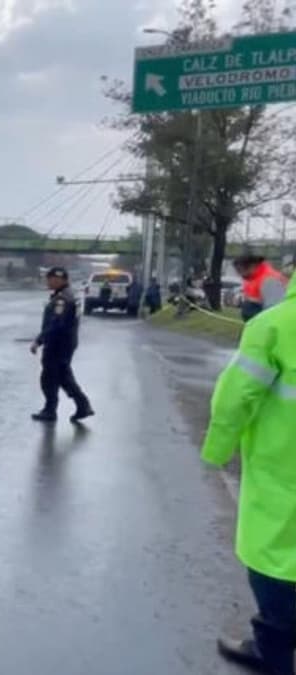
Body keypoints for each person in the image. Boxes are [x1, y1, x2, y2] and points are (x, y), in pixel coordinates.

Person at [203, 276, 296, 675]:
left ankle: (273, 652)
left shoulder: (275, 325)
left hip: (284, 469)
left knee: (274, 558)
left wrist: (217, 450)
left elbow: (236, 396)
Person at [30, 267, 95, 423]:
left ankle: (52, 410)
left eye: (50, 279)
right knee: (62, 376)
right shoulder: (66, 295)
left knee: (50, 377)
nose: (48, 281)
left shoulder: (62, 299)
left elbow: (56, 324)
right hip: (64, 343)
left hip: (58, 344)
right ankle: (82, 405)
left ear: (59, 279)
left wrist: (39, 340)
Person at [235, 253, 288, 322]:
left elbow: (274, 308)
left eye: (240, 270)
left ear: (252, 266)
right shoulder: (251, 278)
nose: (239, 274)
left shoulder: (269, 279)